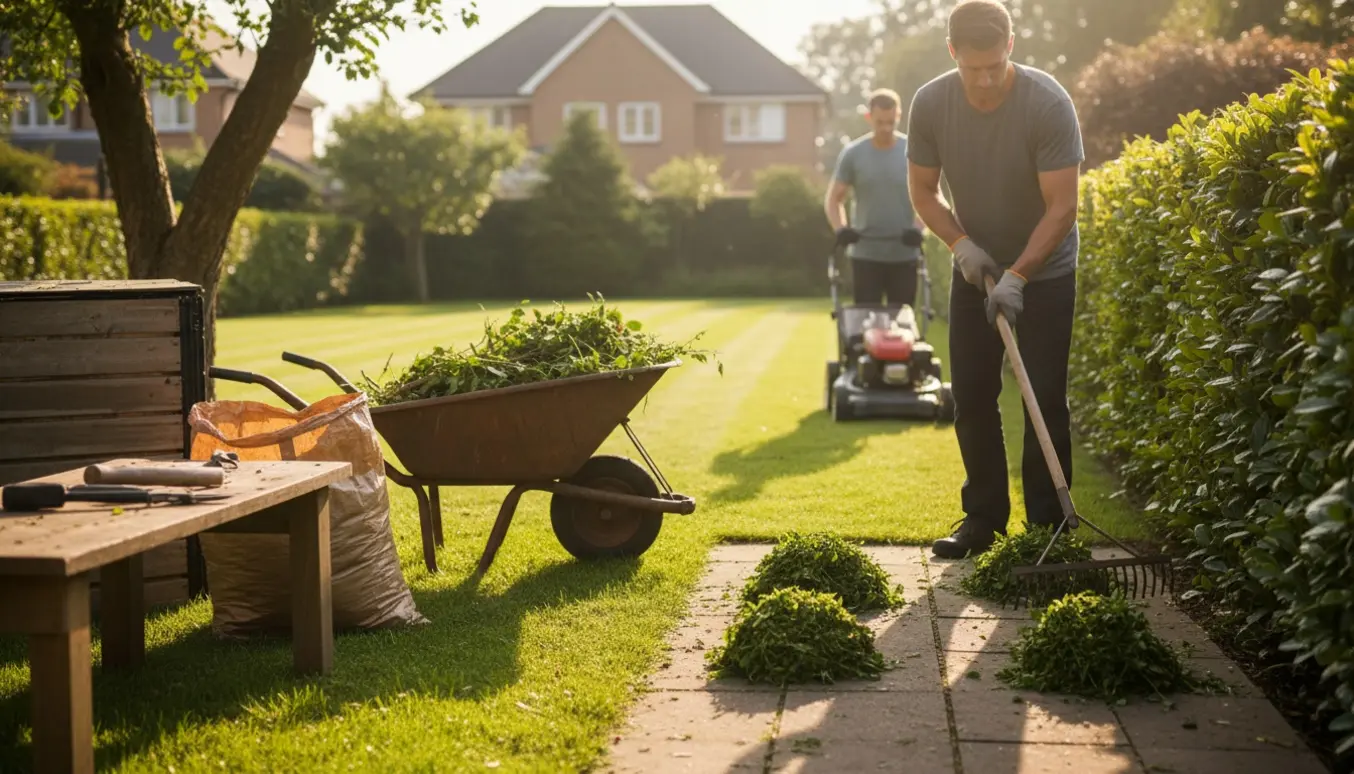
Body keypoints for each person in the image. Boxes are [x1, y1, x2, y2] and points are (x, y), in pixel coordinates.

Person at [905, 0, 1085, 558]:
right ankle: (982, 519)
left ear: (1011, 46)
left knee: (1044, 397)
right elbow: (923, 192)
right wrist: (962, 247)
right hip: (975, 266)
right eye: (971, 67)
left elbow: (1062, 208)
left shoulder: (1047, 103)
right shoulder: (931, 103)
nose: (984, 80)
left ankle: (1046, 528)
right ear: (953, 52)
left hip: (1045, 272)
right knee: (974, 394)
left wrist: (1019, 276)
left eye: (994, 65)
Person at [824, 88, 926, 309]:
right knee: (866, 324)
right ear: (869, 118)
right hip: (865, 255)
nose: (886, 128)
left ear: (898, 116)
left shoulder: (914, 150)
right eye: (880, 122)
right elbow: (834, 199)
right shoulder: (853, 154)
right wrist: (841, 229)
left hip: (904, 254)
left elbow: (929, 195)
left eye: (891, 122)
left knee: (902, 326)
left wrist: (918, 228)